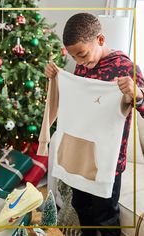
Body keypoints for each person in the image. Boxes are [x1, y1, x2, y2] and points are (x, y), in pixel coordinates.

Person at [44, 13, 144, 236]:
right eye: (73, 57)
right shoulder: (82, 66)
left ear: (100, 39)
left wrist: (137, 94)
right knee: (80, 206)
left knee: (106, 217)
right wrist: (54, 78)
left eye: (82, 54)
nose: (79, 62)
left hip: (108, 160)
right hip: (81, 154)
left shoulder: (127, 69)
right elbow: (75, 100)